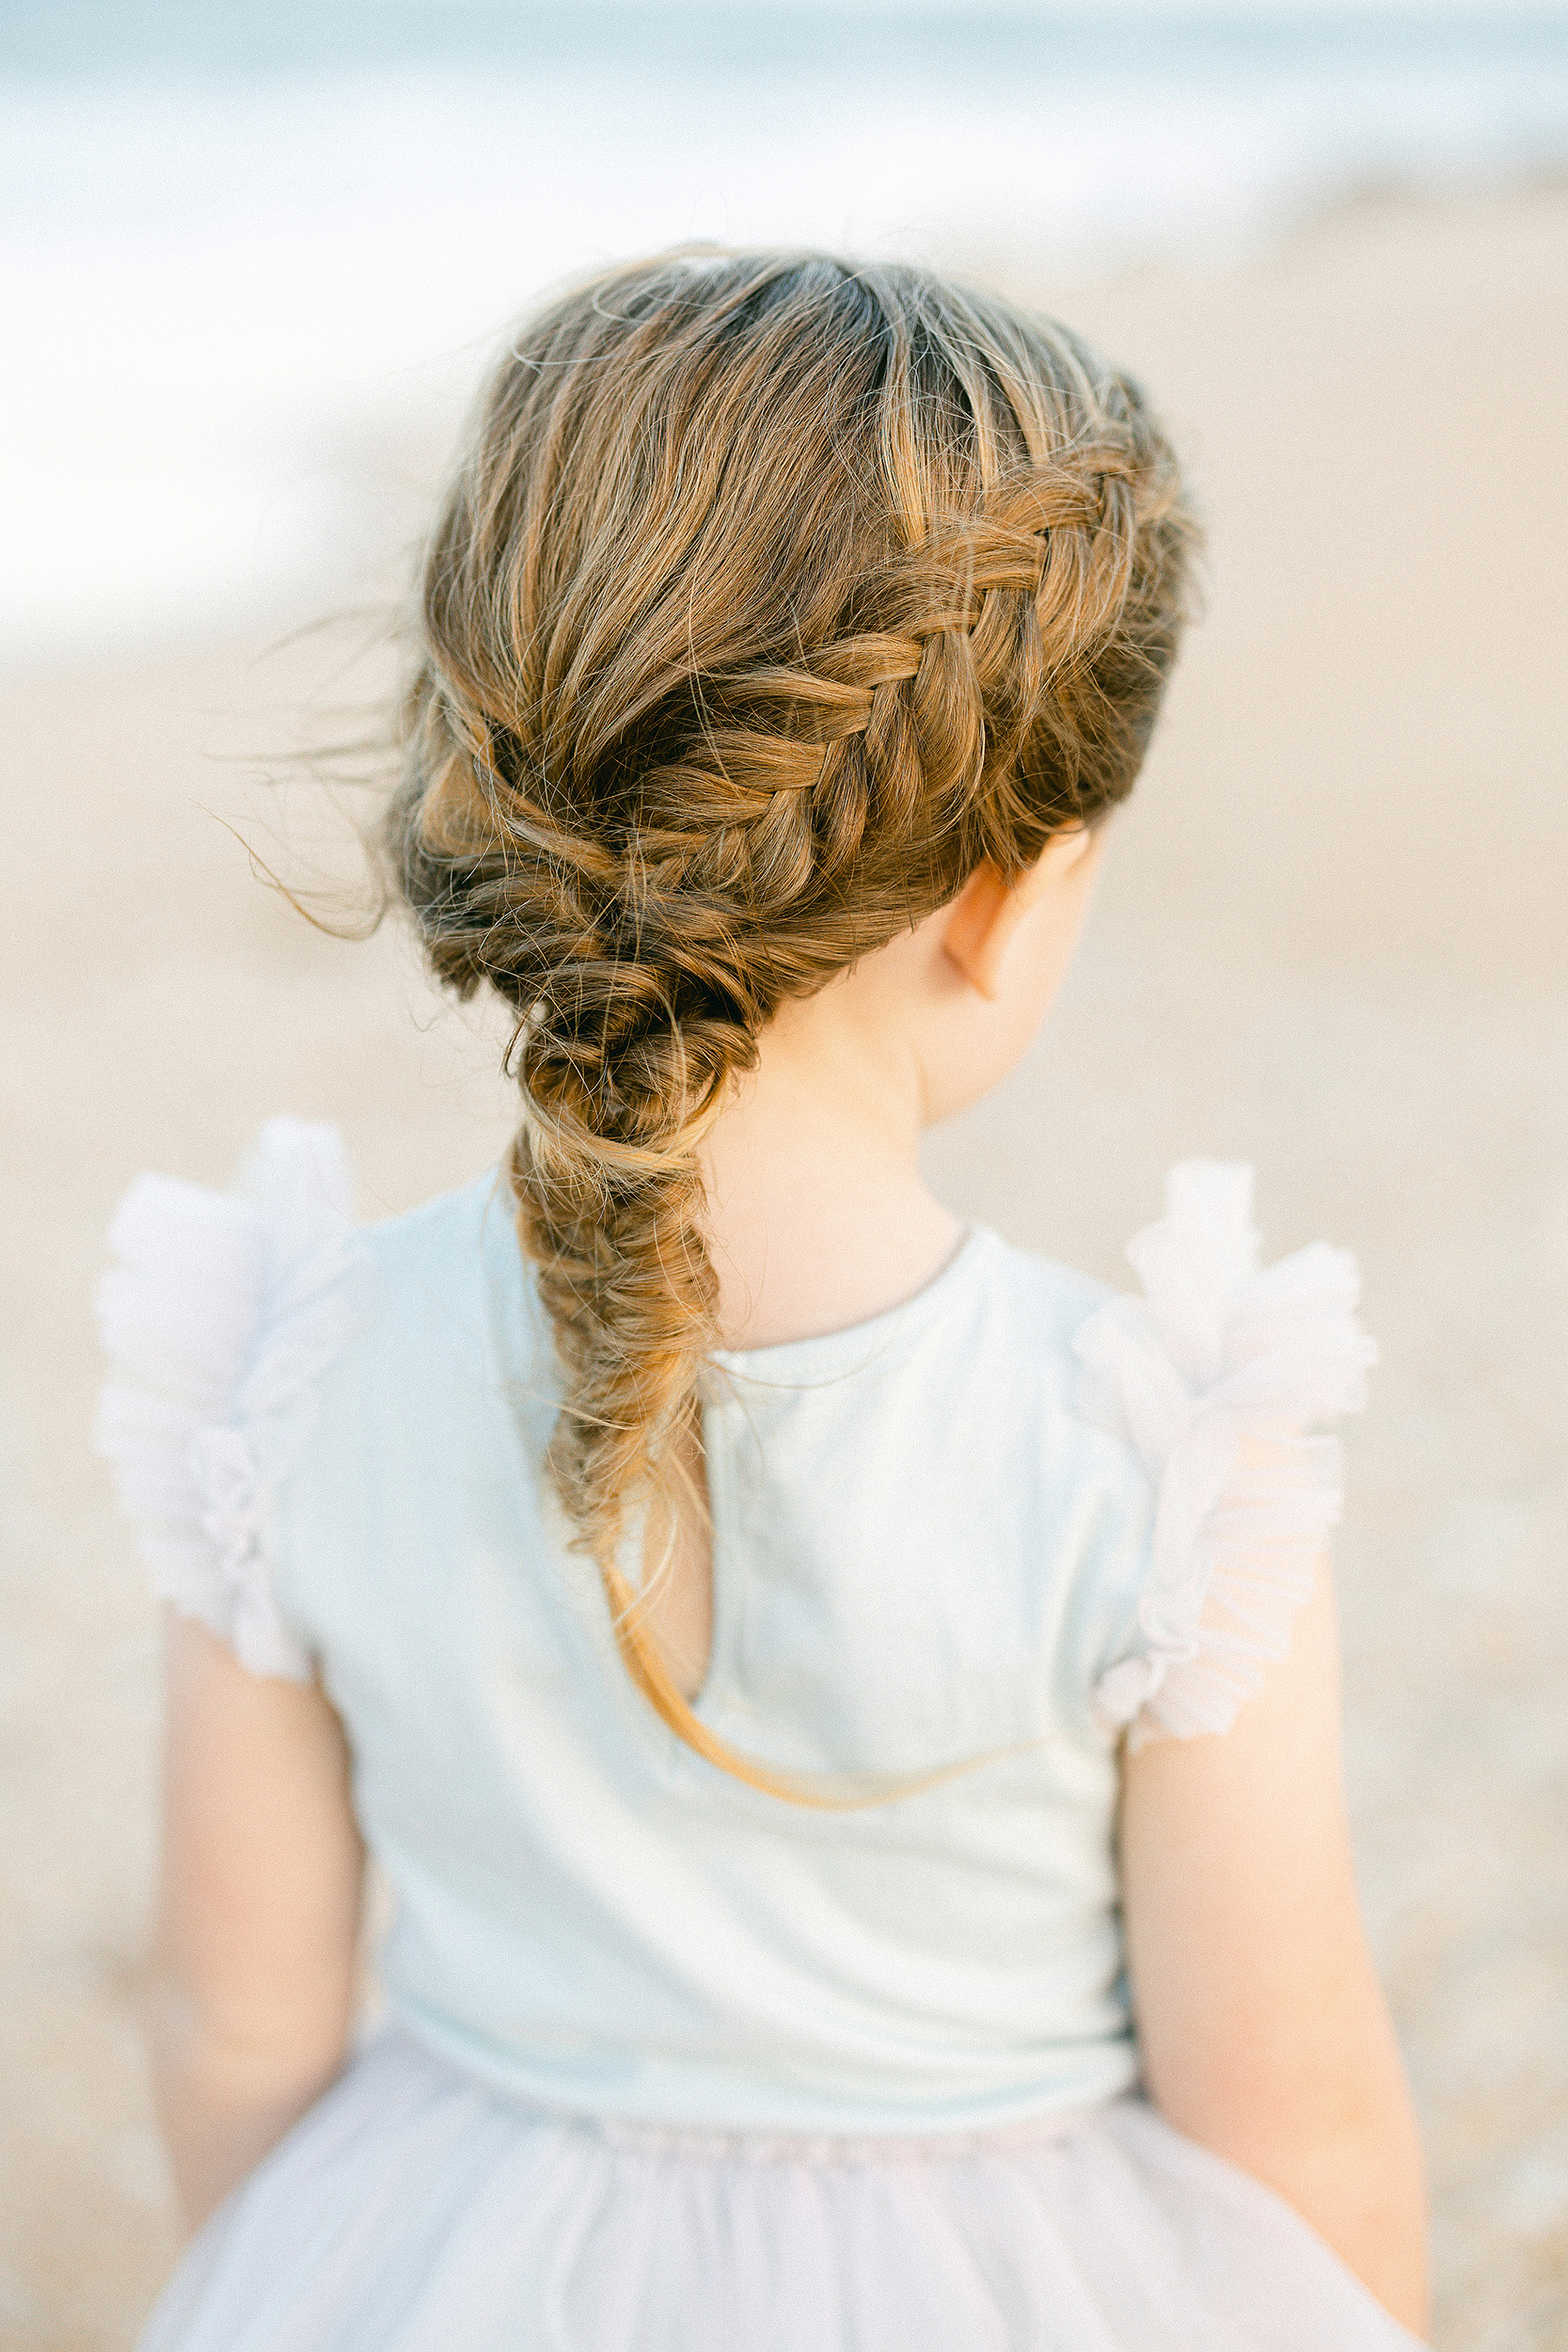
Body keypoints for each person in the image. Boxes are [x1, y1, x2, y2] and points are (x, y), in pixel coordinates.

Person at [96, 252, 1429, 2349]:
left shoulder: (282, 1375)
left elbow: (232, 2028)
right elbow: (1301, 2138)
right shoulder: (1163, 1451)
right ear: (1004, 900)